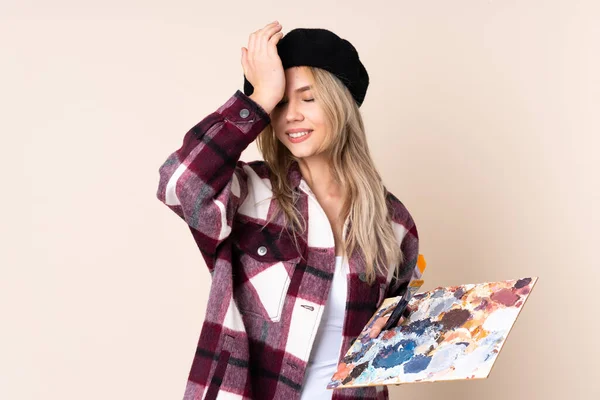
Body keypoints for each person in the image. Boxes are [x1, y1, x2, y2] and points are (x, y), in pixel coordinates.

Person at [156, 21, 423, 400]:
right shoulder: (249, 195)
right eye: (280, 103)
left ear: (340, 104)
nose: (291, 115)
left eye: (308, 98)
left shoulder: (392, 221)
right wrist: (260, 97)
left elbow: (396, 333)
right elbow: (178, 184)